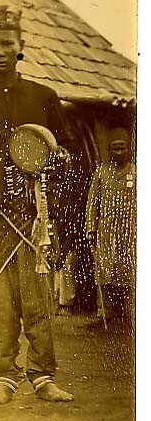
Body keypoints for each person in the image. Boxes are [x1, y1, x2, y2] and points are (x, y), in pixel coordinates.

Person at [0, 4, 74, 405]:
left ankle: (43, 376)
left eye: (7, 43)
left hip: (36, 217)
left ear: (21, 44)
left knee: (38, 299)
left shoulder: (44, 96)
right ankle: (3, 377)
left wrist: (55, 165)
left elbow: (67, 150)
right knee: (0, 304)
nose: (0, 51)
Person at [85, 127, 136, 324]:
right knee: (105, 272)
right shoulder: (101, 172)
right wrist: (91, 228)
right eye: (115, 148)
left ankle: (130, 314)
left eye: (122, 148)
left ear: (128, 149)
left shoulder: (135, 172)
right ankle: (105, 312)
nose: (119, 152)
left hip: (129, 231)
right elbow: (93, 202)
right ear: (109, 151)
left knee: (128, 272)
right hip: (105, 231)